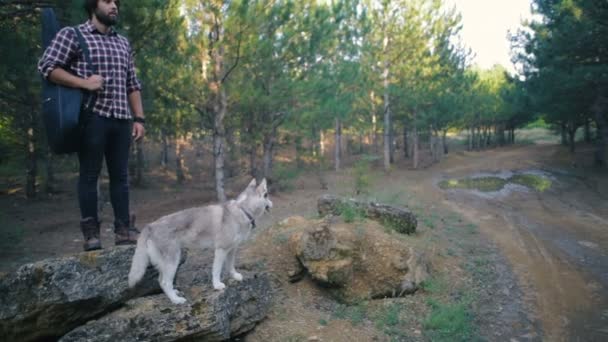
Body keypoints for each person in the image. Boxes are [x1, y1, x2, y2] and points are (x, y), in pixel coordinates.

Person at [38, 0, 145, 251]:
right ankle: (91, 235)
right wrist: (84, 83)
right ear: (92, 6)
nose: (114, 6)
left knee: (121, 177)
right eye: (108, 1)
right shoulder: (73, 35)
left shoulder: (123, 42)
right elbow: (46, 67)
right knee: (89, 175)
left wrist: (139, 118)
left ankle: (123, 230)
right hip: (92, 117)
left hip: (121, 119)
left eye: (116, 2)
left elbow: (133, 84)